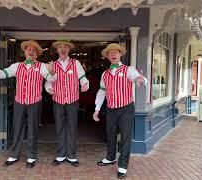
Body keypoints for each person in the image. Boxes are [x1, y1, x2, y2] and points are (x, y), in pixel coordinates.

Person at [0, 40, 56, 168]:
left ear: (37, 54)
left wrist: (51, 72)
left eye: (34, 50)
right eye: (29, 49)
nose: (31, 51)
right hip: (19, 102)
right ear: (25, 52)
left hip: (35, 101)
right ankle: (14, 154)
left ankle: (31, 156)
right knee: (17, 128)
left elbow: (51, 79)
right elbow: (2, 74)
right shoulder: (17, 66)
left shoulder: (42, 66)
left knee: (33, 129)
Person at [92, 43, 147, 179]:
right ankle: (110, 157)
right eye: (110, 53)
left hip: (126, 108)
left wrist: (142, 80)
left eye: (115, 52)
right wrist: (97, 109)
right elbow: (101, 92)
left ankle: (123, 165)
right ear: (108, 57)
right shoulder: (105, 74)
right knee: (110, 134)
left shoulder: (129, 70)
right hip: (111, 108)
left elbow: (138, 79)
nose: (113, 54)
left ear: (120, 54)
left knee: (125, 137)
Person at [45, 40, 89, 167]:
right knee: (59, 127)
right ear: (57, 50)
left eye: (65, 47)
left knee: (72, 127)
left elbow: (82, 77)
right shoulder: (52, 65)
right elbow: (48, 81)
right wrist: (49, 89)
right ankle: (60, 155)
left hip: (72, 100)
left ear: (69, 50)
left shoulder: (76, 63)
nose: (63, 49)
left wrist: (85, 84)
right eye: (60, 47)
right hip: (57, 100)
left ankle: (71, 155)